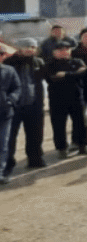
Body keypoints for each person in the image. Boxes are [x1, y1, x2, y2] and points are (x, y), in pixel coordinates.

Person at [43, 40, 87, 158]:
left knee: (81, 123)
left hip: (76, 97)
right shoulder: (49, 65)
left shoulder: (77, 61)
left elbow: (84, 73)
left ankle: (82, 146)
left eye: (67, 49)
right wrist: (74, 74)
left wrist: (65, 74)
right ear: (54, 52)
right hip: (57, 99)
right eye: (61, 50)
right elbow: (52, 79)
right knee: (59, 125)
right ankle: (62, 149)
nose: (64, 52)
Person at [5, 38, 47, 171]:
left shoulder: (38, 62)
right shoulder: (9, 62)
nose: (30, 49)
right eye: (26, 47)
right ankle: (8, 163)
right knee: (10, 137)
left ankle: (35, 159)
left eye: (33, 47)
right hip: (14, 106)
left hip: (34, 104)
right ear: (19, 48)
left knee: (35, 134)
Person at [0, 44, 20, 183]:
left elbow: (17, 87)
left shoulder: (9, 70)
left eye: (1, 55)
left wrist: (10, 100)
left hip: (5, 113)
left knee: (2, 144)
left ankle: (0, 172)